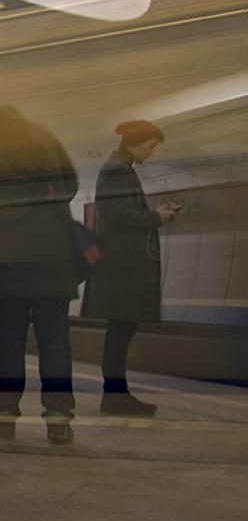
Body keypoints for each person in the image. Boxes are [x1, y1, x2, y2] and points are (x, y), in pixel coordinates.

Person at [0, 104, 80, 444]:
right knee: (55, 338)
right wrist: (43, 205)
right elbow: (71, 185)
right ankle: (58, 416)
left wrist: (3, 213)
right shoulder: (45, 137)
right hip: (53, 255)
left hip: (7, 258)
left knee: (8, 340)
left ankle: (4, 414)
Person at [82, 119, 178, 417]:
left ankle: (117, 394)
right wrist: (156, 217)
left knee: (121, 331)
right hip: (121, 270)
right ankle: (114, 396)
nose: (151, 152)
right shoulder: (117, 172)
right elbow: (120, 214)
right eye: (150, 146)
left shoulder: (120, 170)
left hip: (121, 267)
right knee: (119, 333)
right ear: (135, 143)